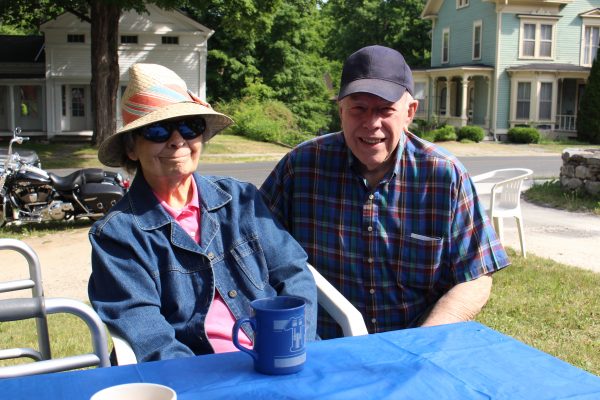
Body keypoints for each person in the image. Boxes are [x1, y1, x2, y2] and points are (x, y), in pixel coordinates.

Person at [260, 45, 510, 339]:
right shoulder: (300, 168)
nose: (371, 123)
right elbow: (253, 248)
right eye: (359, 109)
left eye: (384, 109)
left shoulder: (445, 176)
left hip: (414, 345)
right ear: (341, 110)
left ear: (409, 112)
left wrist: (423, 342)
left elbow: (476, 276)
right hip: (321, 348)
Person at [88, 63, 317, 362]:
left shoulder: (241, 199)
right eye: (158, 130)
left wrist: (292, 342)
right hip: (199, 376)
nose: (177, 140)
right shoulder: (117, 235)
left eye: (189, 126)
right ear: (131, 149)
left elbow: (293, 271)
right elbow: (149, 336)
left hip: (280, 358)